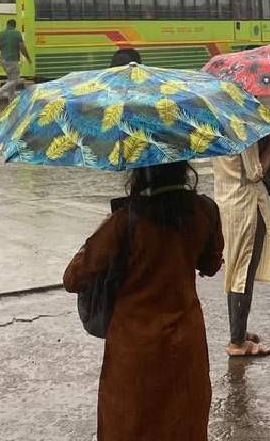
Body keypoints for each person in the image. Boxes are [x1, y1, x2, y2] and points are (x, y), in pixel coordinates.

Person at [63, 161, 224, 440]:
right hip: (185, 347)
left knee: (132, 426)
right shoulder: (203, 211)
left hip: (135, 353)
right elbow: (210, 264)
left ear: (140, 171)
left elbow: (73, 278)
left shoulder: (124, 223)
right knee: (183, 424)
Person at [212, 130, 270, 358]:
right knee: (243, 273)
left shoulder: (222, 123)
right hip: (246, 207)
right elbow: (255, 172)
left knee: (235, 270)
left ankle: (238, 332)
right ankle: (237, 342)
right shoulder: (241, 128)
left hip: (228, 202)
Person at [0, 19, 30, 103]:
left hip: (3, 61)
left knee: (10, 80)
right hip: (13, 60)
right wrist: (28, 57)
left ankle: (11, 100)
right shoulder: (17, 34)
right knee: (15, 80)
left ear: (7, 25)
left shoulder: (1, 34)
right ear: (14, 25)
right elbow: (22, 48)